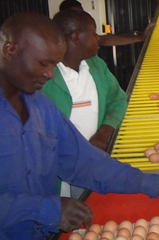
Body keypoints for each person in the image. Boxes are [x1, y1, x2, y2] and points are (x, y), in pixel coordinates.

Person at [0, 12, 159, 240]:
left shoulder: (40, 108)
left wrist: (154, 184)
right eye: (43, 64)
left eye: (54, 65)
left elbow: (84, 161)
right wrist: (48, 209)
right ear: (10, 50)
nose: (49, 74)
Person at [42, 10, 126, 152]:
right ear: (76, 37)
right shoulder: (44, 76)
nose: (98, 37)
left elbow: (118, 100)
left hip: (96, 160)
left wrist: (104, 132)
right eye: (94, 32)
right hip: (59, 168)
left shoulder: (96, 66)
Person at [59, 0, 153, 46]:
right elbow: (103, 40)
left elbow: (104, 39)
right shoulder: (57, 38)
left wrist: (139, 38)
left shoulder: (97, 64)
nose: (82, 17)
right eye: (78, 14)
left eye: (82, 13)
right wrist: (139, 38)